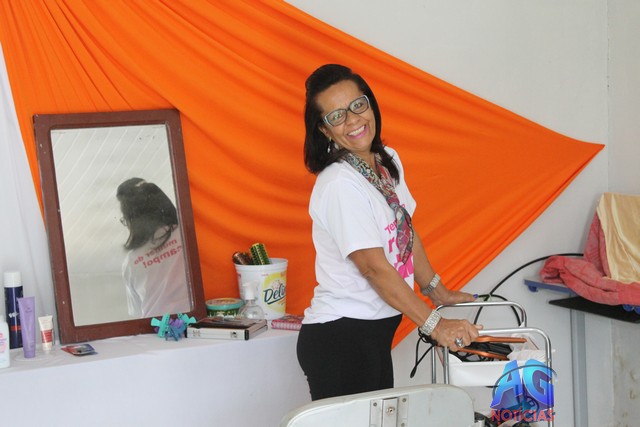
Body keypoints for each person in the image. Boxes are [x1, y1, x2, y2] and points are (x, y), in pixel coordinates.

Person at [296, 64, 483, 401]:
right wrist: (435, 325)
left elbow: (405, 230)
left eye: (358, 105)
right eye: (337, 116)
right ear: (324, 130)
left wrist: (436, 291)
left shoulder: (386, 160)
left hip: (373, 336)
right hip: (341, 340)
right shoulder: (339, 184)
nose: (353, 120)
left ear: (370, 104)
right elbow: (373, 268)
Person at [117, 177, 190, 318]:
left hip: (156, 327)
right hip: (196, 321)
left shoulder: (131, 261)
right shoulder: (186, 234)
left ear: (133, 220)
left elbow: (136, 312)